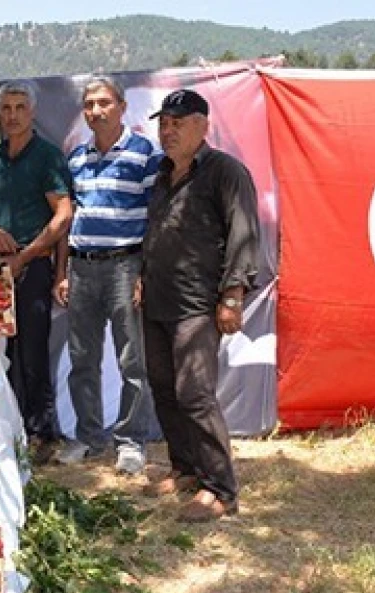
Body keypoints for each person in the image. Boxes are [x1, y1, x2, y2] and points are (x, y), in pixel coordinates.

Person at [140, 89, 259, 522]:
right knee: (164, 388)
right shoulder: (162, 174)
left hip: (198, 305)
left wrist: (232, 297)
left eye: (178, 122)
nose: (167, 131)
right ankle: (185, 468)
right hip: (157, 300)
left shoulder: (226, 172)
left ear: (202, 126)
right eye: (163, 123)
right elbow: (157, 233)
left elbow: (244, 236)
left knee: (194, 394)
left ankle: (221, 489)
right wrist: (141, 278)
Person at [52, 76, 162, 474]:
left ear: (121, 107)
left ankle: (131, 441)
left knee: (132, 359)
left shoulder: (144, 153)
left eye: (103, 102)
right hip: (82, 266)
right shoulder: (76, 158)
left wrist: (144, 273)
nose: (95, 110)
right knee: (83, 359)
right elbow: (68, 221)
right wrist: (62, 273)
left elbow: (158, 218)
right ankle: (88, 436)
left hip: (125, 265)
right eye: (89, 104)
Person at [0, 80, 73, 458]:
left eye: (19, 108)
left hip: (33, 263)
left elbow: (63, 216)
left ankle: (42, 434)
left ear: (33, 112)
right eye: (5, 108)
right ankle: (5, 431)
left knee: (33, 350)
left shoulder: (47, 157)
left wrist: (25, 259)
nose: (12, 115)